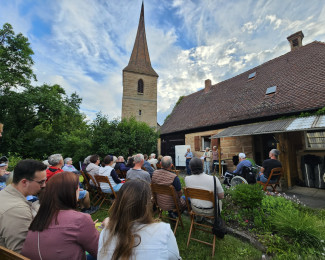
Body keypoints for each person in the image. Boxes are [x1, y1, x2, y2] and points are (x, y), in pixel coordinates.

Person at [21, 172, 99, 260]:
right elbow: (101, 252)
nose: (80, 190)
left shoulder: (40, 216)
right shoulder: (80, 219)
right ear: (71, 192)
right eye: (78, 187)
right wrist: (107, 231)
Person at [97, 180, 181, 260]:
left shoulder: (105, 233)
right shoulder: (163, 231)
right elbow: (175, 257)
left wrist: (109, 226)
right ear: (148, 204)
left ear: (119, 202)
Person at [0, 159, 47, 253]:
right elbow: (20, 253)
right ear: (24, 182)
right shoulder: (18, 210)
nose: (44, 185)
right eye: (41, 182)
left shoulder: (4, 193)